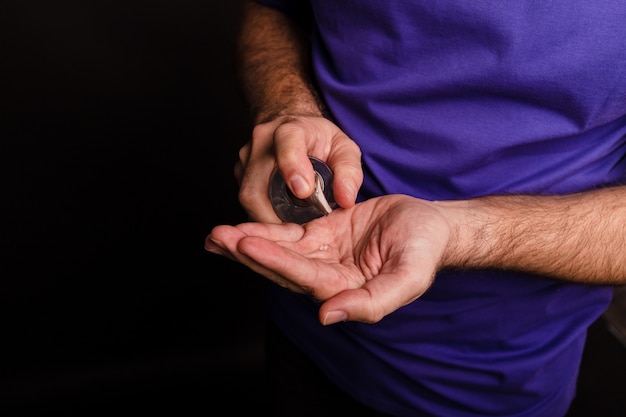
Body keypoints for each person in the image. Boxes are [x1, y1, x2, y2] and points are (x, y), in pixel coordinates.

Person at [205, 1, 626, 416]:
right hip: (304, 318)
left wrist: (457, 232)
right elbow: (271, 11)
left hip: (496, 379)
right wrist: (285, 109)